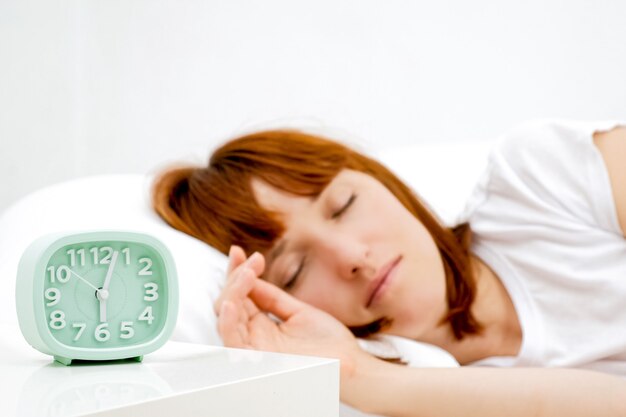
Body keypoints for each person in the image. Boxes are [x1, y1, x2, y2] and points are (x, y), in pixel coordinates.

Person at [152, 120, 626, 416]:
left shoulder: (539, 180)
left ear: (382, 181)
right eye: (295, 270)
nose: (353, 258)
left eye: (343, 205)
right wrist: (359, 377)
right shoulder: (419, 391)